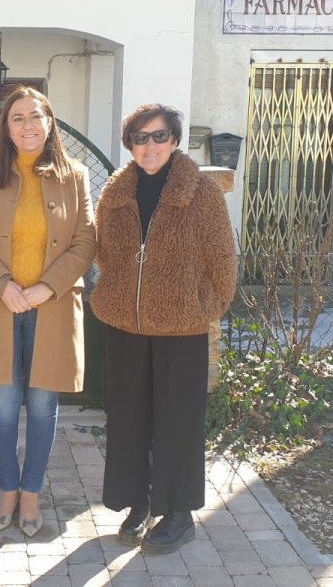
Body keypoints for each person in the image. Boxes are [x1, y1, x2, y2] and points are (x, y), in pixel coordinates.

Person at [92, 103, 237, 554]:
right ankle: (139, 500)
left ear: (174, 141)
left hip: (181, 327)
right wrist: (119, 294)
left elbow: (223, 260)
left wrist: (202, 308)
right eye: (140, 137)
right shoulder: (116, 193)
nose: (149, 145)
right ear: (130, 144)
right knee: (130, 417)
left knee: (178, 421)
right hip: (126, 324)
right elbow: (105, 254)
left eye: (159, 136)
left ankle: (178, 514)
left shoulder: (201, 193)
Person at [0, 87, 96, 537]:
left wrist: (44, 289)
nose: (28, 125)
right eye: (17, 118)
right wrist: (4, 286)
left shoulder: (75, 175)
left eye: (36, 116)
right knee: (1, 407)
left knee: (42, 404)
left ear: (50, 122)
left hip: (51, 307)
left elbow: (85, 242)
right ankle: (8, 489)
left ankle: (32, 492)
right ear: (6, 127)